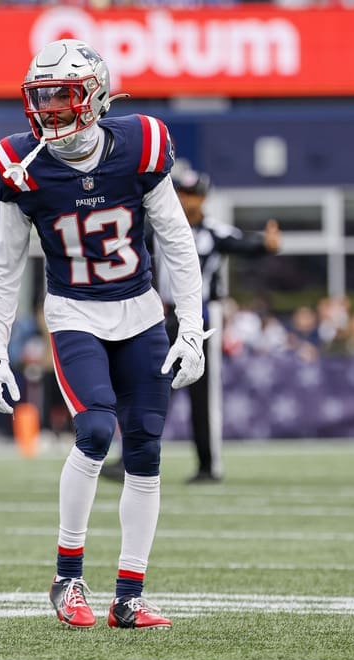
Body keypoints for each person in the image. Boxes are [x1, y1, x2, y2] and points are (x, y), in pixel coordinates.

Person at [0, 39, 206, 630]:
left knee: (147, 446)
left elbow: (177, 239)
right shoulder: (18, 166)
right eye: (42, 98)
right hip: (75, 311)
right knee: (96, 427)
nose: (51, 111)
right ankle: (67, 576)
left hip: (141, 311)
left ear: (98, 96)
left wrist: (192, 328)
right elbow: (4, 263)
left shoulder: (142, 145)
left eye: (64, 96)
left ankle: (129, 594)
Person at [100, 160, 281, 484]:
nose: (186, 200)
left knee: (203, 394)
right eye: (181, 193)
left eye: (193, 194)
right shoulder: (157, 228)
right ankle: (130, 457)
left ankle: (209, 466)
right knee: (145, 385)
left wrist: (266, 245)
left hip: (203, 316)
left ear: (204, 199)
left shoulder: (213, 231)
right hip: (163, 314)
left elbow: (245, 243)